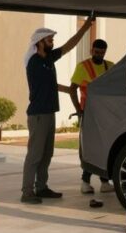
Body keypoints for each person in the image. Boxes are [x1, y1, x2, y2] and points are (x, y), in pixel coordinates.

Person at [20, 17, 94, 204]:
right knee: (35, 155)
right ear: (40, 42)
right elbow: (43, 85)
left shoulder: (48, 59)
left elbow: (69, 46)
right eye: (50, 40)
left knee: (47, 154)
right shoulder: (34, 62)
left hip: (49, 112)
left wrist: (86, 26)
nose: (53, 43)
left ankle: (42, 187)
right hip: (38, 114)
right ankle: (27, 192)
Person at [69, 39, 113, 195]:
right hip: (88, 112)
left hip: (105, 114)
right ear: (91, 50)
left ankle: (104, 182)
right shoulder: (83, 67)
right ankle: (85, 182)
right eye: (96, 52)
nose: (99, 55)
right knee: (90, 148)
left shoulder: (110, 66)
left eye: (101, 52)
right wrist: (78, 110)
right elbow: (72, 89)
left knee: (104, 146)